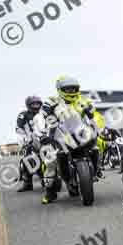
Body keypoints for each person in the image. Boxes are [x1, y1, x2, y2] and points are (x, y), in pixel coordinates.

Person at [40, 76, 105, 204]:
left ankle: (98, 168)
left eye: (73, 89)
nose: (71, 91)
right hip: (60, 134)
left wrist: (98, 126)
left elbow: (95, 114)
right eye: (67, 89)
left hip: (81, 132)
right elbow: (42, 118)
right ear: (60, 90)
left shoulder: (84, 100)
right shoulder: (52, 102)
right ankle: (50, 191)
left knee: (99, 143)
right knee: (50, 158)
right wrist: (43, 132)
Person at [16, 96, 46, 192]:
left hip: (45, 137)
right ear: (28, 105)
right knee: (27, 158)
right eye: (33, 104)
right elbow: (18, 128)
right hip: (31, 139)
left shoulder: (44, 114)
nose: (35, 106)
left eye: (37, 103)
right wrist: (26, 136)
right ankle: (27, 183)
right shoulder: (23, 115)